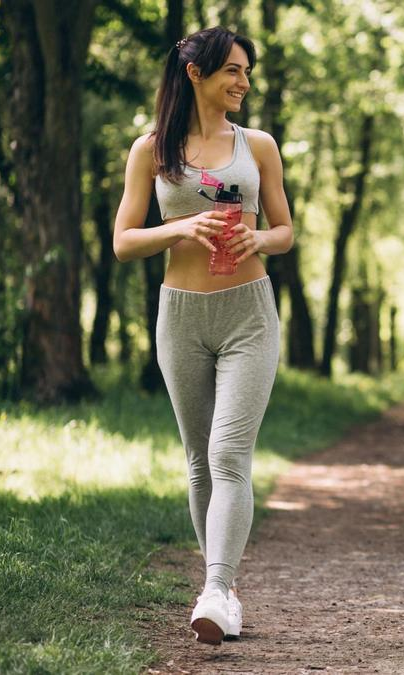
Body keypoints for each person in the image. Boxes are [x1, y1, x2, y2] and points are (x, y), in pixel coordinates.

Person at [113, 26, 293, 645]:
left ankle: (216, 587)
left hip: (249, 312)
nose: (244, 82)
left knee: (227, 454)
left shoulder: (259, 145)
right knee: (198, 462)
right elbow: (124, 240)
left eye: (247, 72)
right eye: (234, 71)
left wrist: (258, 237)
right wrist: (178, 230)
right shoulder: (151, 150)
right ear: (196, 73)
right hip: (181, 314)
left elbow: (285, 229)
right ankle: (226, 590)